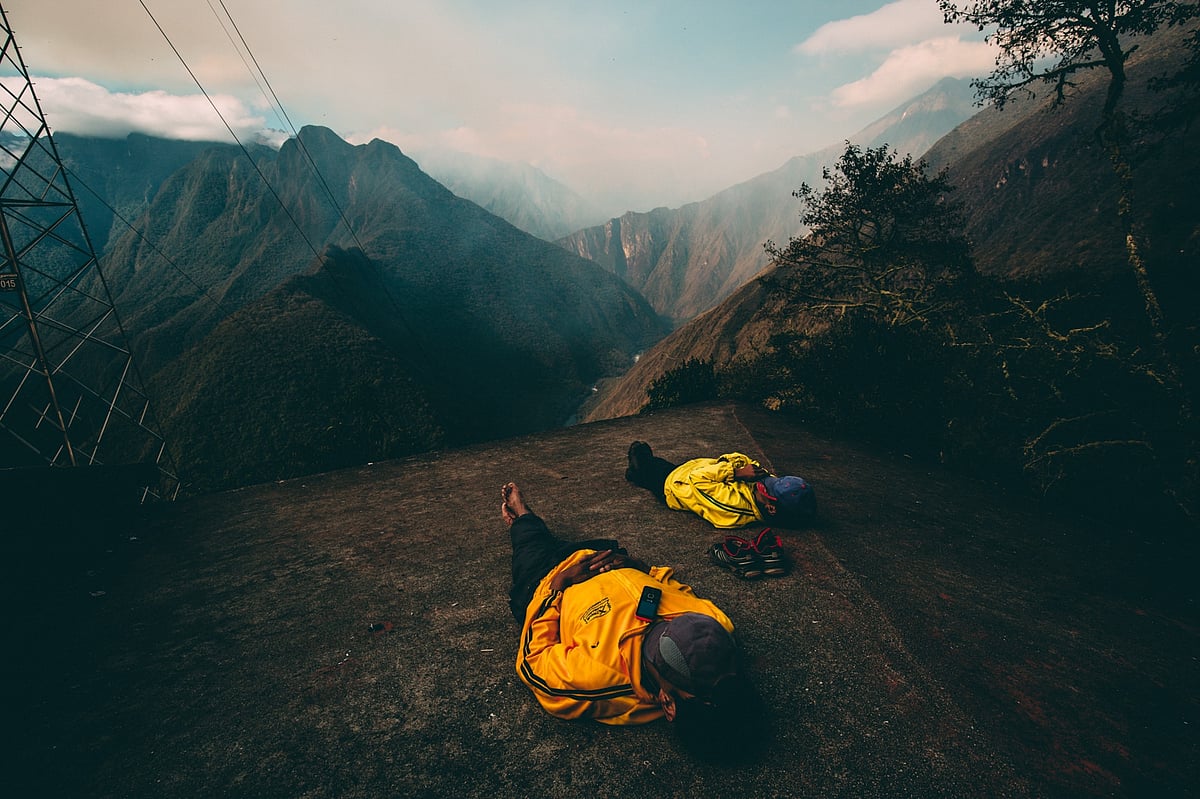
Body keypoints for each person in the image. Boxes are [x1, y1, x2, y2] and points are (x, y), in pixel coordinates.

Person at [502, 481, 765, 753]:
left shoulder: (598, 676)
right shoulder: (717, 628)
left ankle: (521, 515)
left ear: (667, 703)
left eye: (663, 645)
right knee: (550, 538)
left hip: (546, 575)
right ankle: (527, 524)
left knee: (529, 540)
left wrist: (558, 586)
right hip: (608, 557)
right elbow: (678, 589)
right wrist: (642, 568)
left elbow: (534, 660)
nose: (671, 622)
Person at [624, 441, 816, 529]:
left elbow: (697, 480)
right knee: (656, 463)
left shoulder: (734, 508)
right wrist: (740, 468)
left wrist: (736, 472)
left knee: (647, 469)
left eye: (767, 487)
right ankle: (640, 464)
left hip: (674, 487)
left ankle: (635, 471)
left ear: (771, 508)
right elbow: (743, 460)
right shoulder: (767, 492)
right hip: (690, 469)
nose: (764, 481)